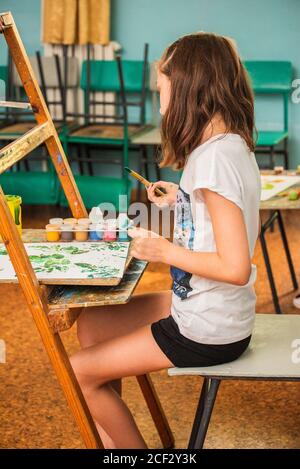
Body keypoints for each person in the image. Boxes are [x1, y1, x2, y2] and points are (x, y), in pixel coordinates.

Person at [70, 32, 261, 449]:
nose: (160, 100)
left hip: (208, 327)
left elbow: (234, 267)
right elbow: (223, 216)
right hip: (213, 310)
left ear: (189, 89)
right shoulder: (228, 147)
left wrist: (161, 251)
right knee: (93, 324)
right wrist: (185, 198)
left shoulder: (212, 161)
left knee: (76, 371)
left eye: (162, 88)